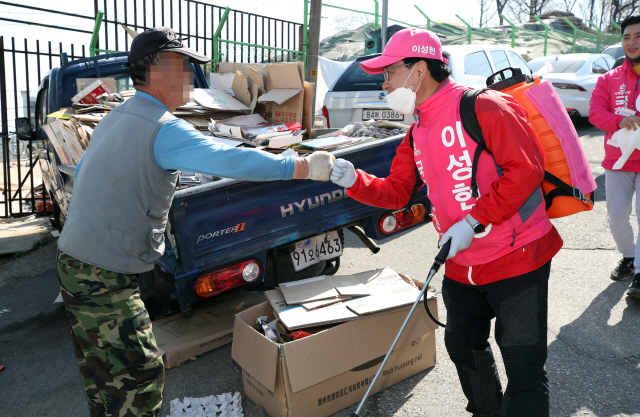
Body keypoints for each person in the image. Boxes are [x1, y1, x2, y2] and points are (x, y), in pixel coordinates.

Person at [56, 27, 334, 417]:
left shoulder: (118, 114)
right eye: (185, 65)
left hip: (74, 262)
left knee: (104, 375)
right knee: (138, 378)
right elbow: (229, 160)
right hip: (104, 274)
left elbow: (85, 170)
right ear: (161, 68)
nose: (190, 75)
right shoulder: (162, 126)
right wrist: (303, 165)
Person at [330, 28, 563, 417]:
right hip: (461, 263)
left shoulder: (486, 106)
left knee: (523, 363)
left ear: (418, 70)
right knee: (463, 346)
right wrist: (351, 179)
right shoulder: (417, 128)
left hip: (518, 258)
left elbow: (526, 170)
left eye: (388, 72)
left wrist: (474, 220)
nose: (383, 84)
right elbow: (397, 191)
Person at [589, 15, 640, 301]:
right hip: (617, 162)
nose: (631, 42)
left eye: (638, 36)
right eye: (626, 37)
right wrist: (619, 122)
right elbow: (596, 112)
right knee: (617, 215)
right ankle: (629, 257)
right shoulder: (609, 78)